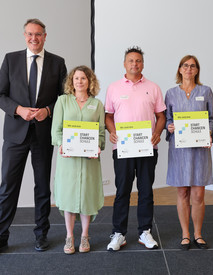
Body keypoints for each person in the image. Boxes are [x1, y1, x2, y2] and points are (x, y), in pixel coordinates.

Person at [0, 18, 67, 251]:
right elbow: (1, 95)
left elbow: (63, 98)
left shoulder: (58, 63)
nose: (34, 38)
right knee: (8, 186)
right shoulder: (10, 59)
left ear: (45, 36)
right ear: (24, 35)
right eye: (29, 34)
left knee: (41, 186)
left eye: (38, 34)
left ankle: (41, 235)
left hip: (42, 134)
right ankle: (1, 236)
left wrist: (47, 111)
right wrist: (18, 110)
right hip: (15, 134)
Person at [105, 46, 166, 251]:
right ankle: (119, 233)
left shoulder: (153, 87)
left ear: (143, 64)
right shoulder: (113, 88)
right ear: (124, 63)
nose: (135, 64)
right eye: (131, 60)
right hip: (122, 148)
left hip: (147, 148)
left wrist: (157, 132)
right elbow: (108, 116)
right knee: (122, 191)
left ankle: (145, 231)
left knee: (146, 190)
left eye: (138, 61)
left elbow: (161, 116)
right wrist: (112, 131)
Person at [51, 65, 105, 254]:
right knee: (69, 197)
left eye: (83, 78)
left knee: (87, 197)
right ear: (71, 82)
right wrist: (61, 144)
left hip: (89, 160)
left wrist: (98, 146)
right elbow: (56, 130)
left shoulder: (97, 104)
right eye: (76, 78)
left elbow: (100, 133)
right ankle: (69, 237)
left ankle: (84, 236)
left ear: (89, 81)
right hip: (69, 159)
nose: (80, 82)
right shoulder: (63, 102)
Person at [165, 55, 213, 250]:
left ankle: (198, 234)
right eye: (185, 66)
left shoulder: (206, 91)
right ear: (179, 69)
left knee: (198, 194)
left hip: (200, 150)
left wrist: (209, 134)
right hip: (179, 150)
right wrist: (169, 126)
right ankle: (185, 234)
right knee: (183, 192)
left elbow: (211, 118)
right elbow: (168, 119)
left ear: (197, 70)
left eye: (192, 66)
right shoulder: (170, 93)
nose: (188, 69)